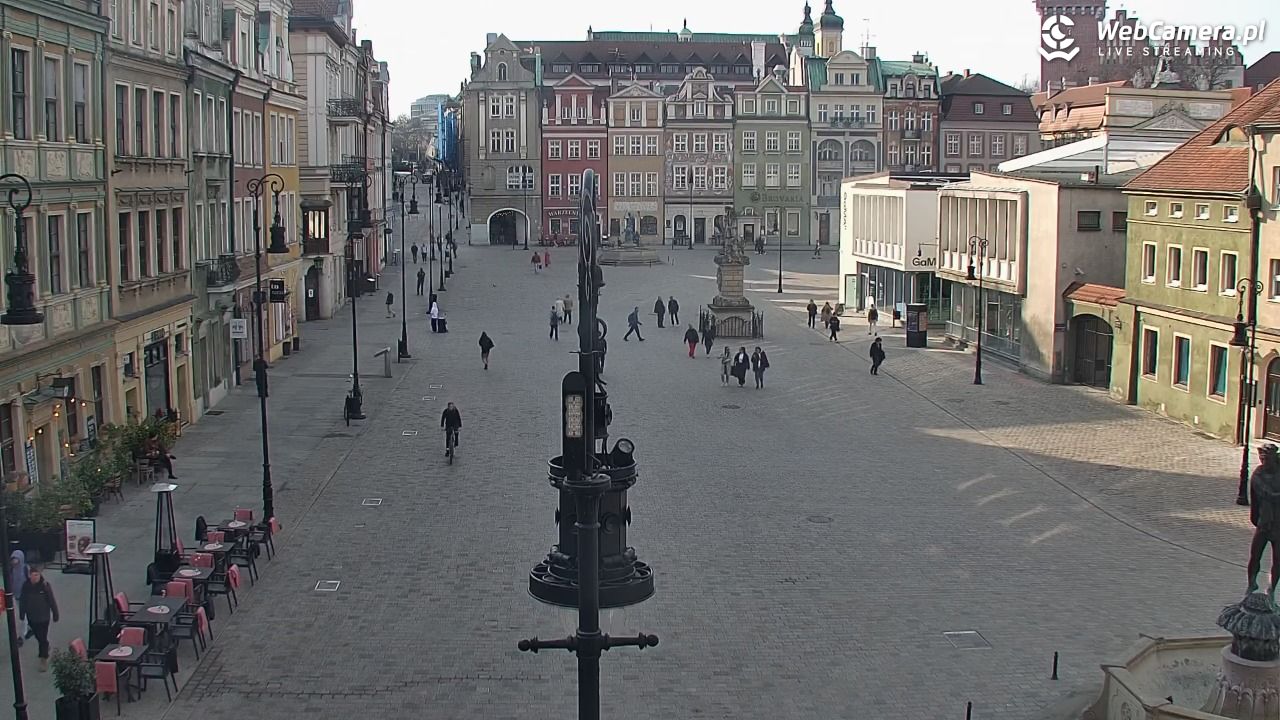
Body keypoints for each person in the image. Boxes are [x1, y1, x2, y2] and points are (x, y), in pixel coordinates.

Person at [19, 566, 58, 672]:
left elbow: (51, 600)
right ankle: (46, 645)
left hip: (44, 617)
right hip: (32, 617)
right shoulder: (26, 586)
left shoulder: (45, 586)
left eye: (37, 575)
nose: (35, 577)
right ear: (29, 575)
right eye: (33, 575)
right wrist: (22, 614)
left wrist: (55, 613)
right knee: (39, 637)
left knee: (42, 638)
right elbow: (23, 601)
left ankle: (43, 659)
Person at [9, 551, 27, 645]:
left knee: (23, 615)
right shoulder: (12, 570)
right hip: (17, 595)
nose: (14, 561)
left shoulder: (24, 568)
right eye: (13, 559)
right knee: (23, 614)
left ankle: (22, 635)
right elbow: (11, 581)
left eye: (16, 559)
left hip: (25, 596)